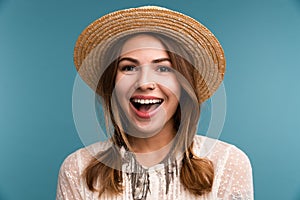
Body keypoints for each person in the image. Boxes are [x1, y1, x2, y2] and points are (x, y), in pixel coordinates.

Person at [56, 6, 253, 200]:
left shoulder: (228, 163)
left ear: (183, 85)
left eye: (163, 69)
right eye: (129, 67)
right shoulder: (78, 168)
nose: (144, 83)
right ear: (113, 83)